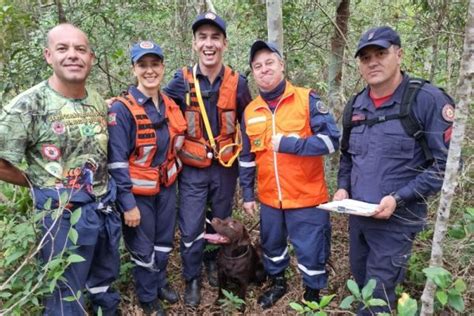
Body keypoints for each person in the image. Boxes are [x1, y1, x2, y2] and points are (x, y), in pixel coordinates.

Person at [0, 23, 121, 315]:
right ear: (48, 55)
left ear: (91, 57)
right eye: (63, 48)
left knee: (104, 275)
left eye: (80, 49)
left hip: (103, 204)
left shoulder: (96, 99)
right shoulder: (27, 105)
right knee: (64, 287)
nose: (73, 56)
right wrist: (37, 185)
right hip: (60, 212)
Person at [334, 26, 454, 314]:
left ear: (399, 54)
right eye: (365, 57)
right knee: (363, 286)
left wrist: (398, 198)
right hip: (359, 218)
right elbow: (347, 156)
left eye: (381, 53)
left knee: (378, 294)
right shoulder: (356, 104)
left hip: (397, 222)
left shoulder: (427, 100)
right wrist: (342, 187)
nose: (373, 62)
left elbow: (445, 166)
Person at [239, 40, 340, 309]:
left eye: (269, 62)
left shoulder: (306, 100)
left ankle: (312, 293)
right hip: (271, 200)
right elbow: (247, 158)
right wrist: (248, 194)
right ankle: (278, 283)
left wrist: (292, 145)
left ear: (281, 65)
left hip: (307, 198)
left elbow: (332, 141)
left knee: (311, 250)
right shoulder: (250, 111)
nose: (264, 69)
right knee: (272, 246)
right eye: (257, 66)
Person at [163, 12, 252, 307]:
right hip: (193, 168)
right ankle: (192, 277)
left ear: (225, 43)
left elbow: (250, 124)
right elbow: (156, 106)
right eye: (203, 37)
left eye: (215, 37)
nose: (209, 44)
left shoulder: (238, 83)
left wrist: (250, 171)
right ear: (194, 43)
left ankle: (213, 261)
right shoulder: (180, 81)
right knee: (190, 227)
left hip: (226, 168)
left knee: (220, 222)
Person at [107, 41, 186, 315]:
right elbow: (116, 161)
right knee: (143, 247)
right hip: (138, 194)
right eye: (143, 65)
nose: (149, 71)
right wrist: (127, 203)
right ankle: (148, 297)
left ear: (163, 68)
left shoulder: (168, 103)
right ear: (134, 70)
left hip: (166, 186)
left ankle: (160, 281)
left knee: (164, 241)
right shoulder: (122, 109)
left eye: (154, 64)